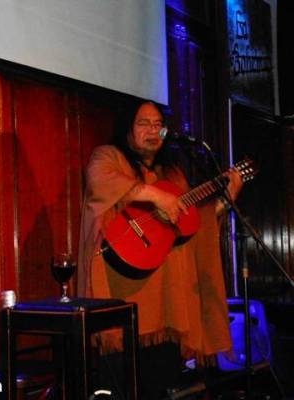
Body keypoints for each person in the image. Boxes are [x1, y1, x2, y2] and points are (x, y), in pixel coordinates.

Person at [77, 100, 243, 397]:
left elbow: (192, 226)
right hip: (123, 289)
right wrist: (156, 196)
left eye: (158, 125)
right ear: (128, 128)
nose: (153, 131)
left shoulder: (174, 173)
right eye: (144, 124)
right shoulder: (107, 157)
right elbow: (101, 183)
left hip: (166, 302)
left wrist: (224, 200)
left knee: (162, 385)